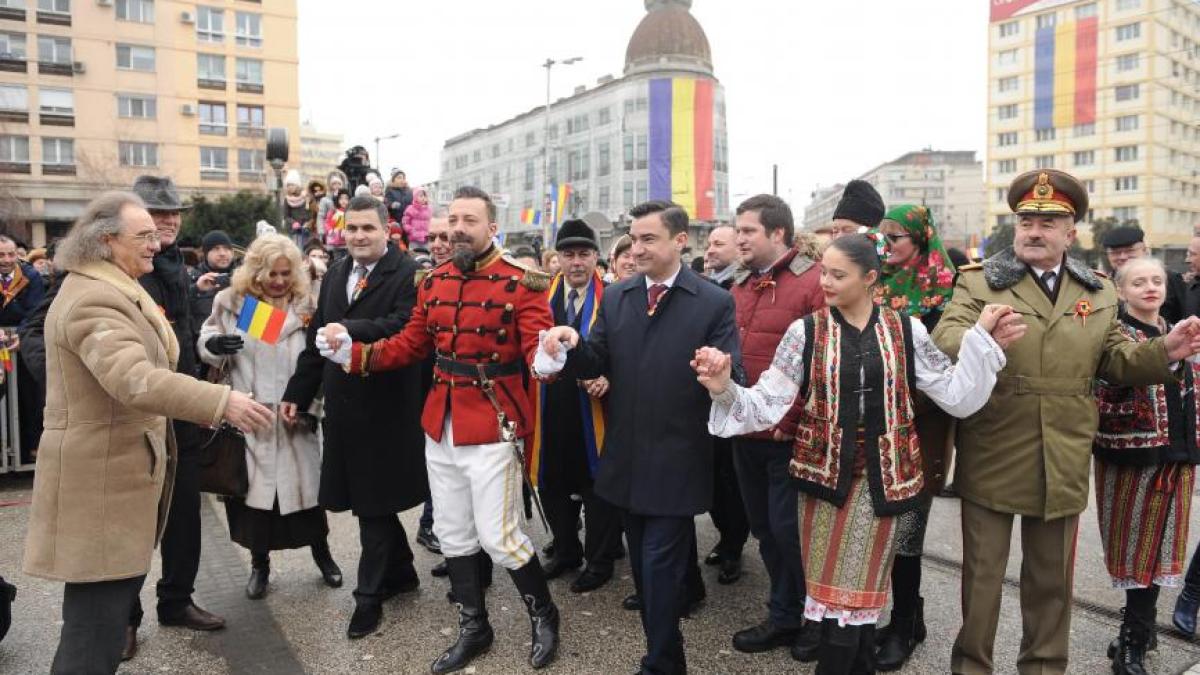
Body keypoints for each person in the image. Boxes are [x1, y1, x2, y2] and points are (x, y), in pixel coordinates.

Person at [695, 234, 1011, 674]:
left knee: (855, 598)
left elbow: (954, 393)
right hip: (823, 484)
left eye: (838, 274)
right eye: (824, 271)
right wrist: (724, 388)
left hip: (885, 484)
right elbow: (767, 403)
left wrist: (981, 341)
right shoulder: (804, 332)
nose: (825, 281)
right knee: (833, 596)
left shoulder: (906, 330)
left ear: (870, 278)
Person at [932, 169, 1200, 675]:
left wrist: (1164, 350)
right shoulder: (979, 281)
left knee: (1052, 580)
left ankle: (1044, 667)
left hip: (1064, 448)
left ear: (1070, 233)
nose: (1034, 231)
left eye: (1048, 223)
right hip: (995, 442)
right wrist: (980, 338)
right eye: (1026, 221)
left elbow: (1115, 357)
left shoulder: (1096, 290)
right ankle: (971, 667)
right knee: (982, 577)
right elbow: (946, 338)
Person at [22, 190, 271, 675]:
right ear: (106, 240)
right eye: (144, 235)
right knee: (92, 636)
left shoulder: (117, 285)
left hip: (124, 471)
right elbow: (134, 378)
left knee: (99, 623)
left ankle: (173, 601)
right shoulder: (95, 296)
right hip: (102, 484)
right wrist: (220, 400)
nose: (156, 244)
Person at [319, 186, 560, 673]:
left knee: (500, 536)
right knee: (452, 533)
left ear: (492, 227)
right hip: (440, 420)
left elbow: (537, 351)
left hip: (493, 421)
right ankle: (474, 626)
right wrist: (356, 355)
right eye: (453, 220)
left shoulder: (522, 282)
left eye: (470, 220)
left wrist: (549, 358)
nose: (458, 229)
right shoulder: (434, 281)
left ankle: (544, 614)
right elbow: (410, 344)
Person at [538, 200, 741, 675]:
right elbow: (597, 360)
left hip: (677, 458)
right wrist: (572, 345)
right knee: (648, 578)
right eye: (634, 239)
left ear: (680, 241)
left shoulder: (713, 301)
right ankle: (665, 656)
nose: (638, 248)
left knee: (658, 568)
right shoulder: (618, 296)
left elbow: (735, 375)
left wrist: (720, 373)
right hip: (625, 458)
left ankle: (661, 663)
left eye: (649, 238)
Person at [281, 195, 429, 640]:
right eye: (352, 228)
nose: (359, 236)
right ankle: (402, 573)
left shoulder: (409, 273)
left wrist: (349, 330)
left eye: (368, 228)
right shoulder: (337, 273)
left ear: (388, 230)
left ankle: (368, 598)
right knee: (368, 499)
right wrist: (297, 393)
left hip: (388, 407)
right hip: (344, 408)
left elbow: (404, 324)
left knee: (372, 504)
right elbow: (317, 338)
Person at [199, 234, 343, 600]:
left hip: (296, 417)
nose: (278, 281)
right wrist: (213, 345)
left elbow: (321, 362)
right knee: (256, 504)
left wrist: (310, 406)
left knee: (308, 501)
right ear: (256, 271)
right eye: (271, 274)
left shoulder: (308, 304)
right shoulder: (233, 302)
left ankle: (323, 556)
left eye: (285, 273)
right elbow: (208, 337)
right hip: (252, 416)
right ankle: (259, 566)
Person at [725, 194, 825, 661]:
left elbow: (823, 360)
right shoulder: (740, 284)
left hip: (788, 436)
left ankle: (815, 620)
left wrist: (790, 417)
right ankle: (785, 615)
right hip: (745, 430)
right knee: (764, 528)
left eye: (748, 231)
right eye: (738, 231)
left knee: (792, 533)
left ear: (778, 233)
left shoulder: (812, 283)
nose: (739, 239)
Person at [129, 175, 225, 652]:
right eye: (156, 213)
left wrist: (208, 361)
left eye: (172, 213)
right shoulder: (113, 269)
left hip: (182, 414)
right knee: (132, 522)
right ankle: (123, 618)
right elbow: (42, 331)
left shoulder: (176, 268)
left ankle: (176, 601)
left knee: (185, 515)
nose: (167, 221)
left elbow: (186, 340)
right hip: (136, 418)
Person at [1090, 256, 1200, 674]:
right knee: (1137, 552)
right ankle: (1132, 643)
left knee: (1162, 552)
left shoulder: (1176, 330)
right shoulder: (1115, 335)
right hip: (1133, 460)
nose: (1150, 288)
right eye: (1139, 282)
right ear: (1121, 291)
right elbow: (1105, 392)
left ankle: (1139, 632)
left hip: (1179, 456)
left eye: (1156, 280)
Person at [872, 203, 958, 671]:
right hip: (875, 421)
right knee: (880, 527)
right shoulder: (876, 282)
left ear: (920, 240)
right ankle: (900, 616)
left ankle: (906, 621)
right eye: (881, 237)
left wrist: (900, 397)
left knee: (908, 529)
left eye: (896, 238)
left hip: (920, 425)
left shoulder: (945, 291)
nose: (885, 246)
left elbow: (946, 366)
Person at [527, 219, 622, 594]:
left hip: (595, 409)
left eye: (584, 254)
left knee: (596, 488)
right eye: (569, 254)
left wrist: (609, 376)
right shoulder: (539, 297)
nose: (576, 262)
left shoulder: (614, 297)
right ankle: (566, 551)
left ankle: (599, 563)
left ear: (596, 257)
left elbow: (627, 351)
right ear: (559, 258)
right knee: (552, 484)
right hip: (549, 406)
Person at [698, 223, 749, 586]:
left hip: (736, 393)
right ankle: (725, 536)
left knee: (732, 481)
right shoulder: (707, 286)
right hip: (706, 394)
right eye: (709, 243)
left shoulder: (739, 287)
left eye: (719, 243)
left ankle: (734, 545)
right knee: (714, 478)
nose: (710, 249)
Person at [0, 233, 46, 465]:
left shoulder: (30, 275)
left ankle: (27, 450)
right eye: (1, 255)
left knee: (28, 397)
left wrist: (21, 333)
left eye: (11, 254)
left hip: (21, 343)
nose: (7, 260)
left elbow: (36, 310)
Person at [1102, 226, 1186, 324]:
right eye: (1115, 252)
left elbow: (1185, 313)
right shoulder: (1102, 285)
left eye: (1130, 250)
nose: (1123, 257)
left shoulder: (1170, 278)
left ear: (1144, 250)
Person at [189, 230, 237, 349]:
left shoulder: (245, 280)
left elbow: (267, 329)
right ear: (206, 254)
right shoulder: (193, 280)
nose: (222, 253)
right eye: (216, 249)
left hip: (240, 350)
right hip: (203, 352)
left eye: (227, 249)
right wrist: (196, 290)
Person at [283, 170, 312, 249]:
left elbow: (311, 213)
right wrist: (294, 223)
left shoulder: (306, 197)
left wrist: (308, 223)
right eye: (288, 185)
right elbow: (286, 216)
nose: (290, 187)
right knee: (296, 250)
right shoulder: (287, 199)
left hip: (307, 230)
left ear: (297, 185)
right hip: (294, 231)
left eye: (292, 185)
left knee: (307, 250)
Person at [317, 170, 349, 237]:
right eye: (334, 184)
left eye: (339, 184)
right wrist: (321, 232)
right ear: (330, 185)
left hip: (343, 233)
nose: (337, 186)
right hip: (329, 233)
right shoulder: (325, 200)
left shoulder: (347, 199)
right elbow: (321, 217)